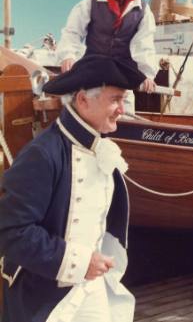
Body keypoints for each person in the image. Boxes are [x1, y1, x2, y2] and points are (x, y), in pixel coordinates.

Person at [0, 54, 140, 322]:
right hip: (45, 294)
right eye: (115, 99)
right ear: (83, 100)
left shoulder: (100, 148)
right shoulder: (42, 154)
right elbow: (11, 232)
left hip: (91, 285)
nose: (122, 109)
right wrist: (79, 262)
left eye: (123, 99)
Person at [56, 0, 158, 112]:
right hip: (92, 79)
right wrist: (68, 55)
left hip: (121, 81)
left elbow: (144, 46)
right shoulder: (91, 1)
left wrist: (147, 75)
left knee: (123, 122)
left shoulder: (143, 12)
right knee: (87, 119)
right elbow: (72, 32)